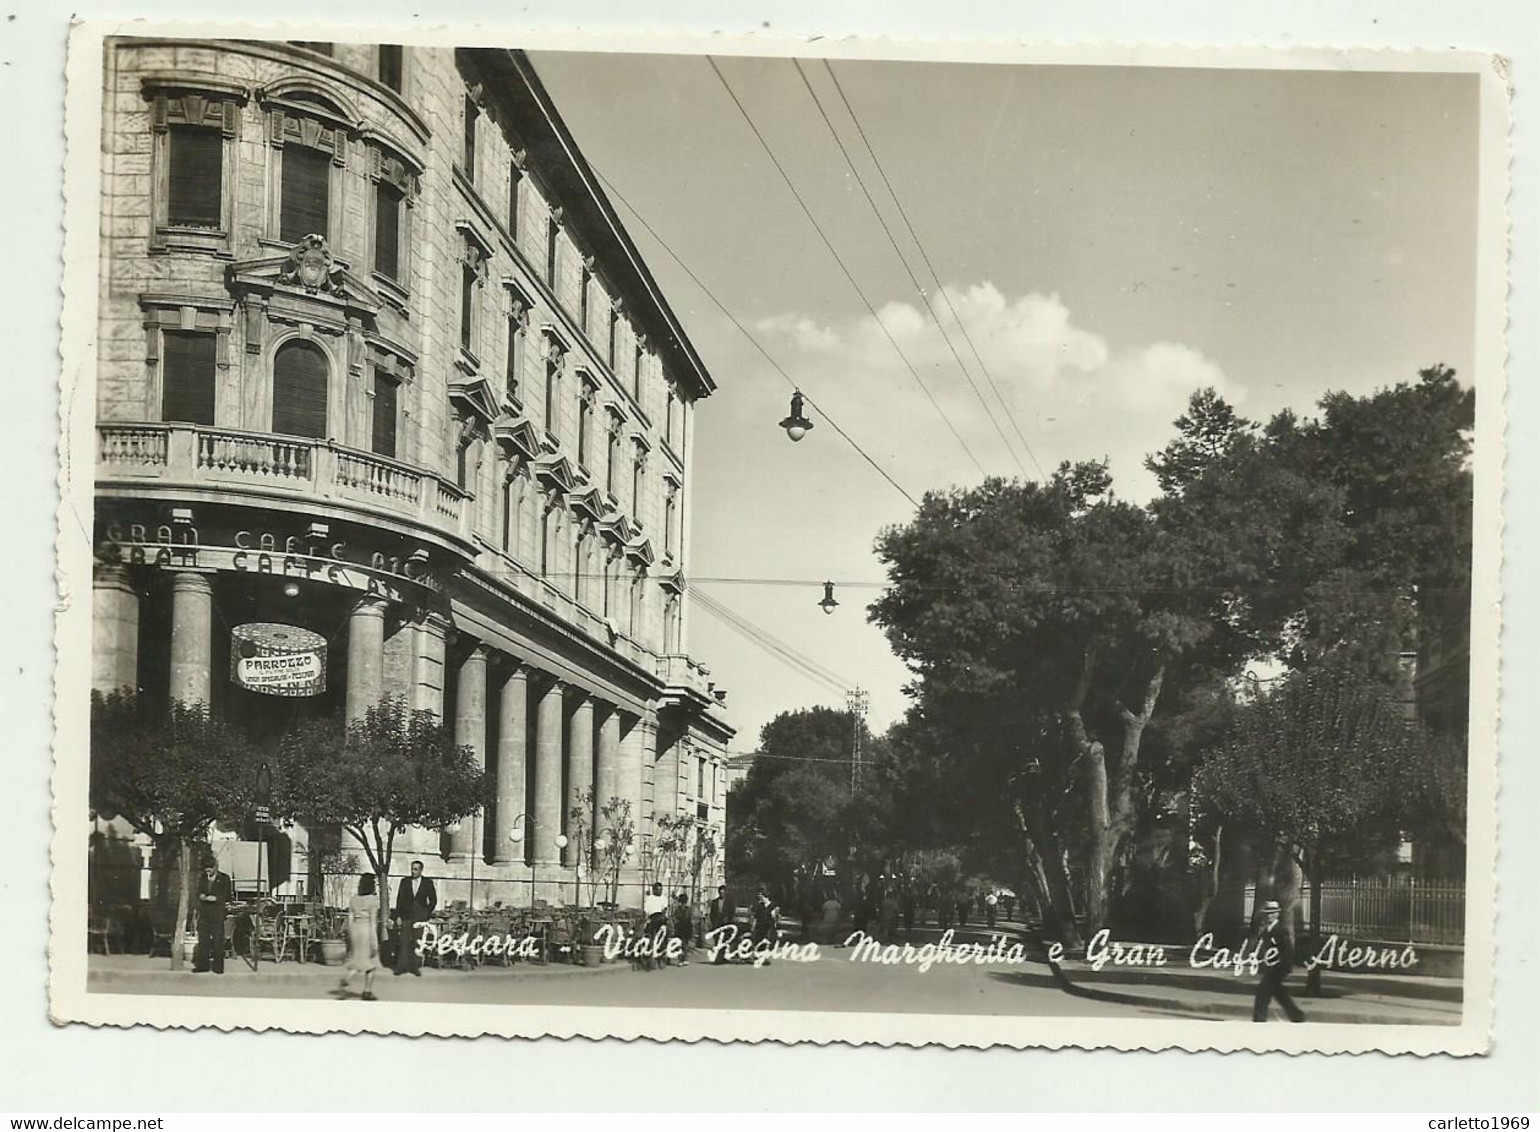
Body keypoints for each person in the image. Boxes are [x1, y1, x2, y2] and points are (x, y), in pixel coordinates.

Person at [1252, 900, 1306, 1023]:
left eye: (1272, 913)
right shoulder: (1266, 931)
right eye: (1267, 913)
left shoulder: (1281, 930)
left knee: (1262, 995)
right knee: (1280, 995)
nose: (1269, 916)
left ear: (1277, 914)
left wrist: (1286, 969)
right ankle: (1297, 1015)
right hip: (1270, 968)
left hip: (1277, 969)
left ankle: (1258, 1021)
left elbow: (1287, 950)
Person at [339, 873, 381, 1001]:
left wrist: (351, 935)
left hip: (356, 929)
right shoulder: (373, 900)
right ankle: (366, 990)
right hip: (367, 929)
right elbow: (373, 921)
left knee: (359, 958)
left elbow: (350, 919)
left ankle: (349, 977)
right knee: (372, 962)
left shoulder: (353, 899)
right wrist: (375, 941)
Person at [392, 860, 437, 976]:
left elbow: (433, 900)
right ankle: (401, 966)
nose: (413, 871)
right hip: (406, 915)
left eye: (416, 869)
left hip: (420, 915)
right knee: (404, 940)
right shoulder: (405, 882)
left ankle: (415, 967)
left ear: (421, 870)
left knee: (417, 941)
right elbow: (400, 899)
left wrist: (426, 912)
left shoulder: (427, 883)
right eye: (412, 869)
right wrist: (398, 916)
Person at [192, 861, 232, 974]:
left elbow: (227, 895)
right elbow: (198, 891)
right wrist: (201, 896)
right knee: (203, 940)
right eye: (206, 868)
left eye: (209, 868)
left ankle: (218, 967)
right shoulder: (203, 877)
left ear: (216, 867)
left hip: (217, 915)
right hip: (204, 914)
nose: (207, 870)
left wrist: (215, 898)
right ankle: (202, 966)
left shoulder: (224, 878)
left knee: (217, 941)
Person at [708, 885, 737, 964]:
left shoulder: (730, 903)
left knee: (724, 940)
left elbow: (732, 913)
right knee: (717, 940)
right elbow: (712, 914)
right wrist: (713, 923)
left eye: (723, 893)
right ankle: (719, 957)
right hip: (717, 924)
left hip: (726, 924)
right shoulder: (714, 902)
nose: (722, 894)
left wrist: (729, 921)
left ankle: (720, 958)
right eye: (720, 893)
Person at [671, 892, 694, 965]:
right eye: (682, 902)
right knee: (681, 944)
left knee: (684, 944)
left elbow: (690, 919)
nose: (683, 904)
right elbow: (675, 918)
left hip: (685, 927)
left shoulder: (686, 909)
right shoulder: (679, 909)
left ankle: (684, 959)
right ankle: (681, 959)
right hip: (681, 928)